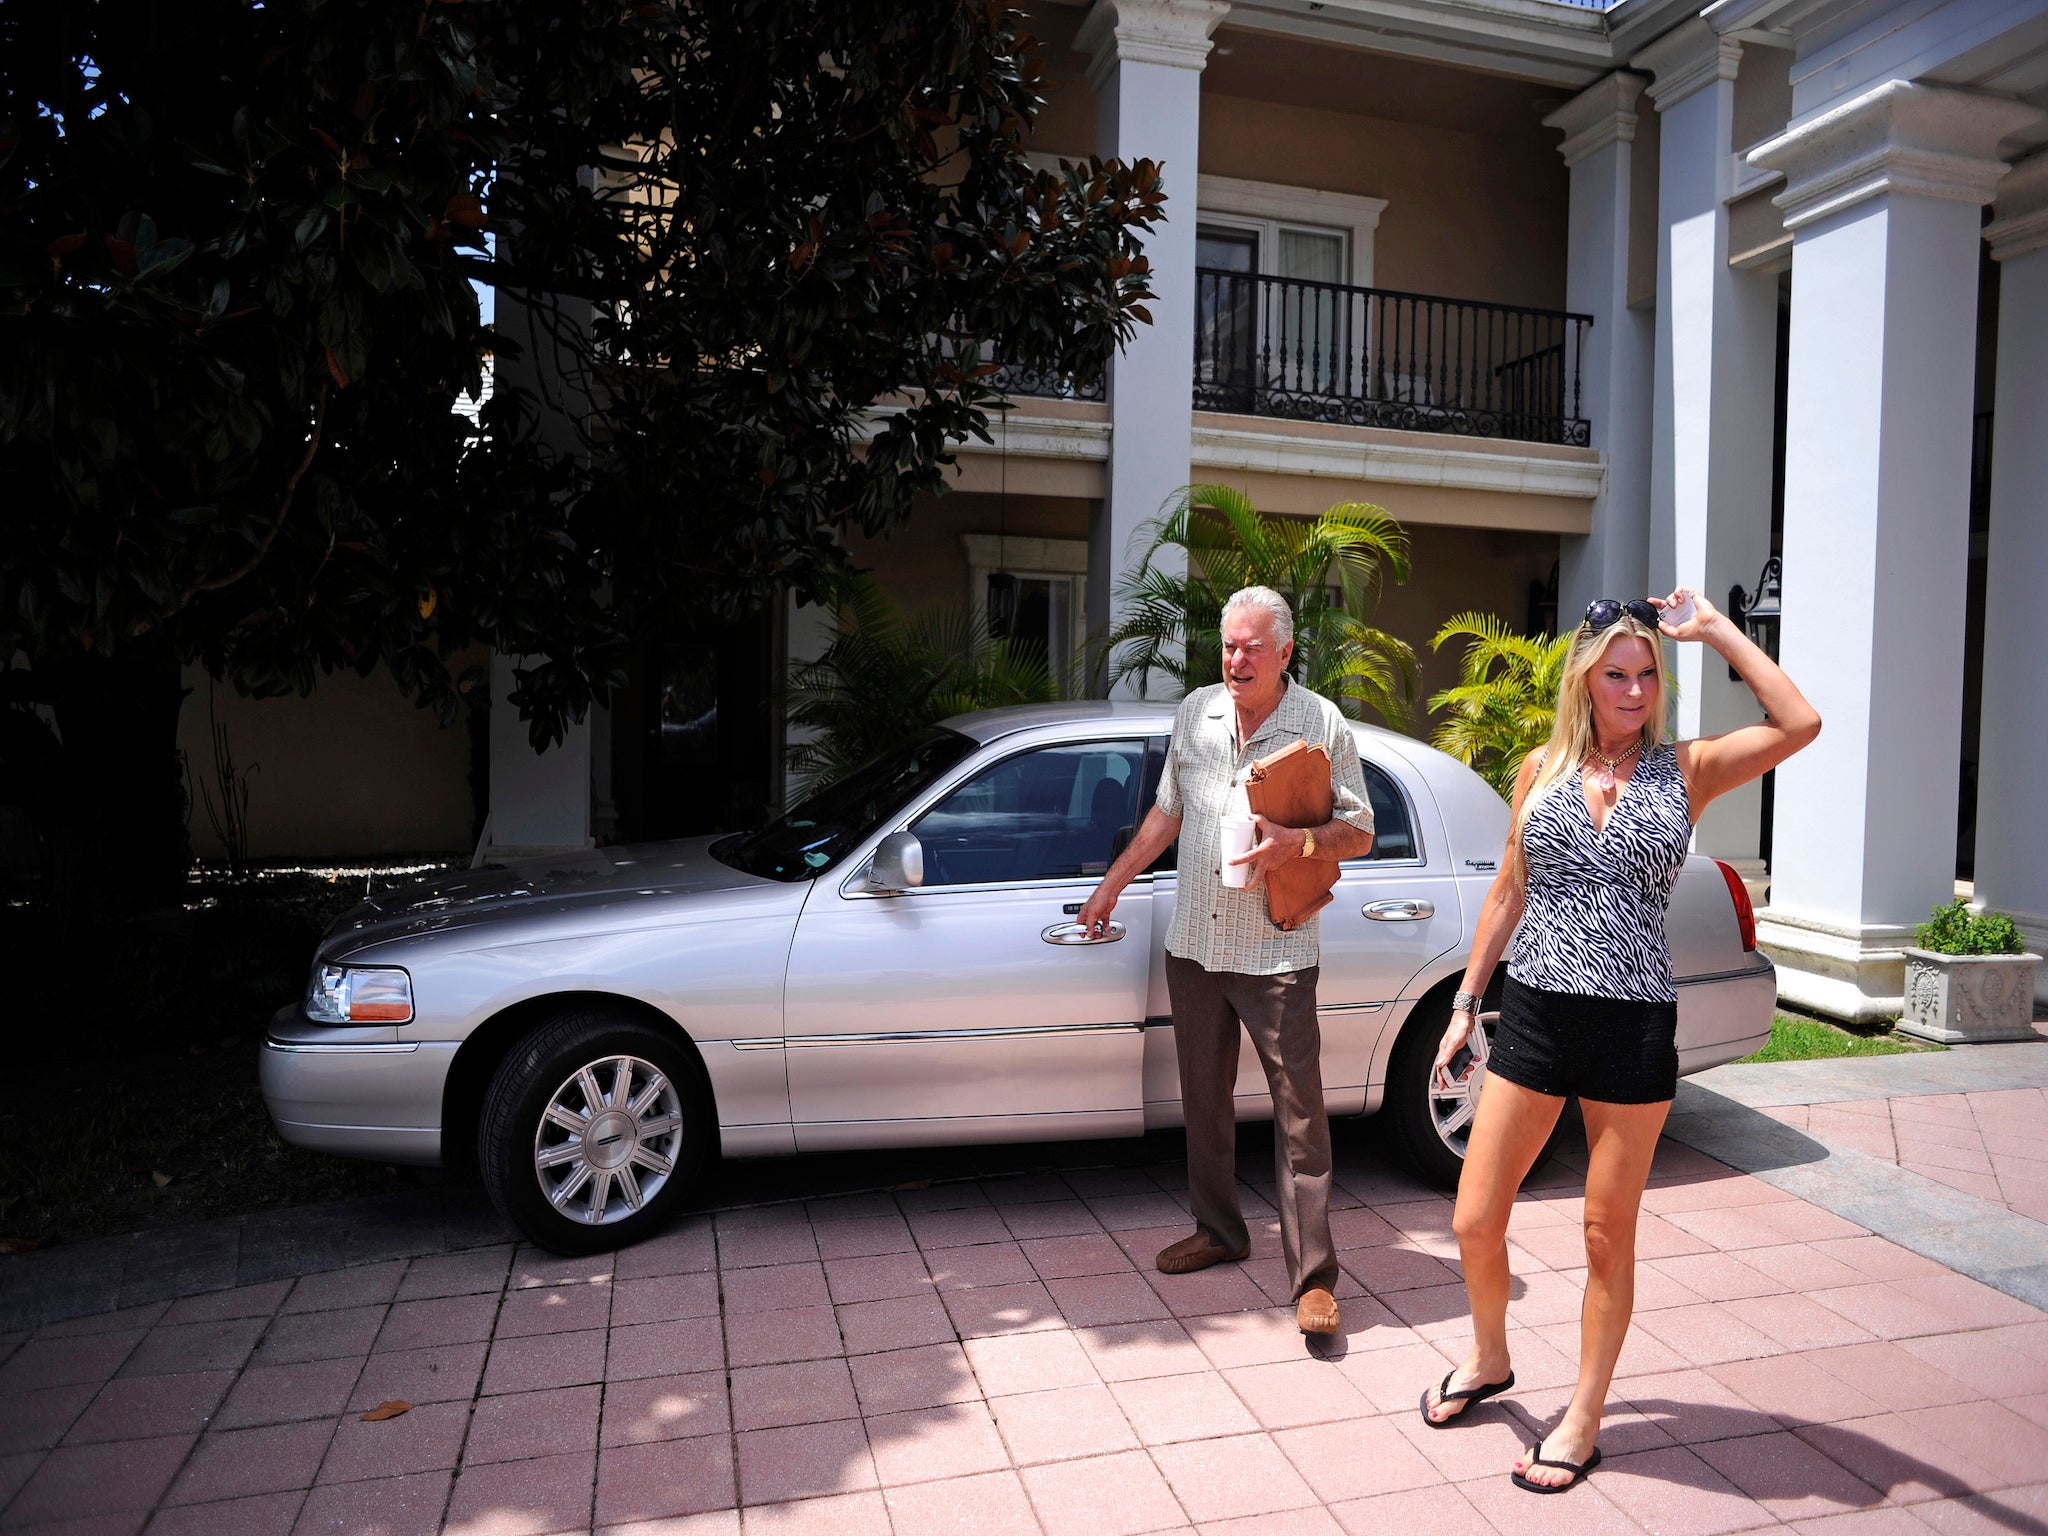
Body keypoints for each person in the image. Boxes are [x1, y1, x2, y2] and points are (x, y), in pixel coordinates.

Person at [1418, 588, 1820, 1492]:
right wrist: (1463, 1004)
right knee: (1475, 1219)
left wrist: (1716, 629)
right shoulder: (1540, 771)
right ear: (1585, 681)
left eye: (1646, 675)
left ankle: (1586, 1415)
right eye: (1617, 675)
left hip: (1632, 1026)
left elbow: (1800, 721)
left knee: (1607, 1236)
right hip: (1535, 1015)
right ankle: (1490, 1356)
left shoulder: (1689, 769)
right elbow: (1507, 894)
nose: (1634, 691)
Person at [1077, 585, 1375, 1334]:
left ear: (1285, 652)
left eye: (1251, 647)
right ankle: (1219, 1230)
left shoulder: (1321, 723)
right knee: (1203, 1101)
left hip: (1277, 950)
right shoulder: (1197, 714)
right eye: (1228, 645)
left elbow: (1360, 829)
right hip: (1196, 945)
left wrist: (1297, 843)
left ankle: (1314, 1278)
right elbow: (1167, 813)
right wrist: (1111, 886)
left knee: (1300, 1113)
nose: (1236, 659)